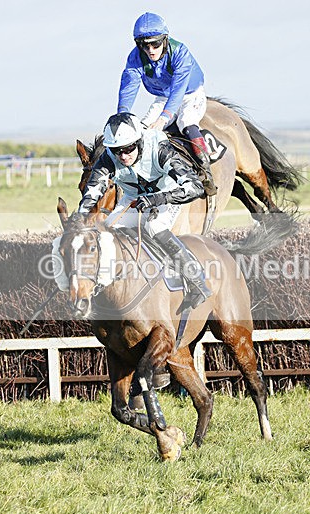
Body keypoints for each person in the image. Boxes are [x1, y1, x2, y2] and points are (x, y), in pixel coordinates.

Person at [77, 112, 212, 311]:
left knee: (154, 226)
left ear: (139, 141)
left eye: (128, 149)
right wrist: (80, 219)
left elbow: (195, 187)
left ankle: (197, 281)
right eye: (116, 151)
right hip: (133, 198)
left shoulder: (160, 149)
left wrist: (157, 199)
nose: (123, 156)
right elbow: (92, 191)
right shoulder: (107, 158)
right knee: (105, 232)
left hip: (167, 195)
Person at [116, 12, 215, 193]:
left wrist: (164, 118)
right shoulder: (135, 57)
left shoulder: (180, 52)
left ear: (165, 40)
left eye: (155, 44)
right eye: (144, 46)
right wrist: (122, 115)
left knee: (186, 122)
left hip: (190, 95)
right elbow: (129, 87)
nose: (151, 50)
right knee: (143, 130)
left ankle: (205, 171)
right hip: (163, 97)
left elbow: (178, 92)